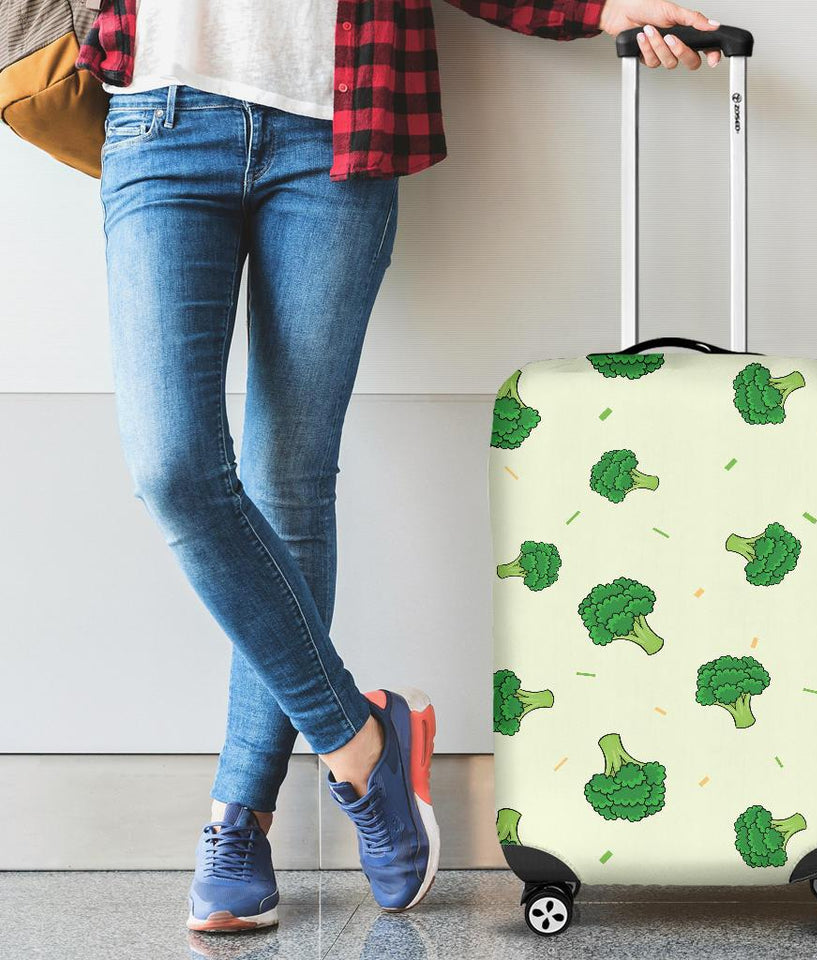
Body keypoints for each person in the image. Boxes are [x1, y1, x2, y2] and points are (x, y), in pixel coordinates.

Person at [76, 0, 722, 934]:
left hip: (336, 125)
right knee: (174, 470)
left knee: (290, 480)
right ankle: (361, 740)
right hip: (160, 116)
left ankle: (240, 819)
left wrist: (599, 8)